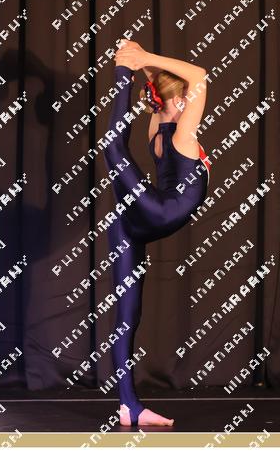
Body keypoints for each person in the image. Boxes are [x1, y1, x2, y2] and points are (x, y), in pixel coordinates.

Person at [103, 39, 210, 426]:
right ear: (181, 102)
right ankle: (122, 76)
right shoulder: (182, 136)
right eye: (187, 100)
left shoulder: (159, 130)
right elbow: (199, 76)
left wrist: (142, 62)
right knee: (113, 148)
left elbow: (169, 90)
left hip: (136, 220)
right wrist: (138, 61)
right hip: (158, 212)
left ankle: (129, 406)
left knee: (128, 314)